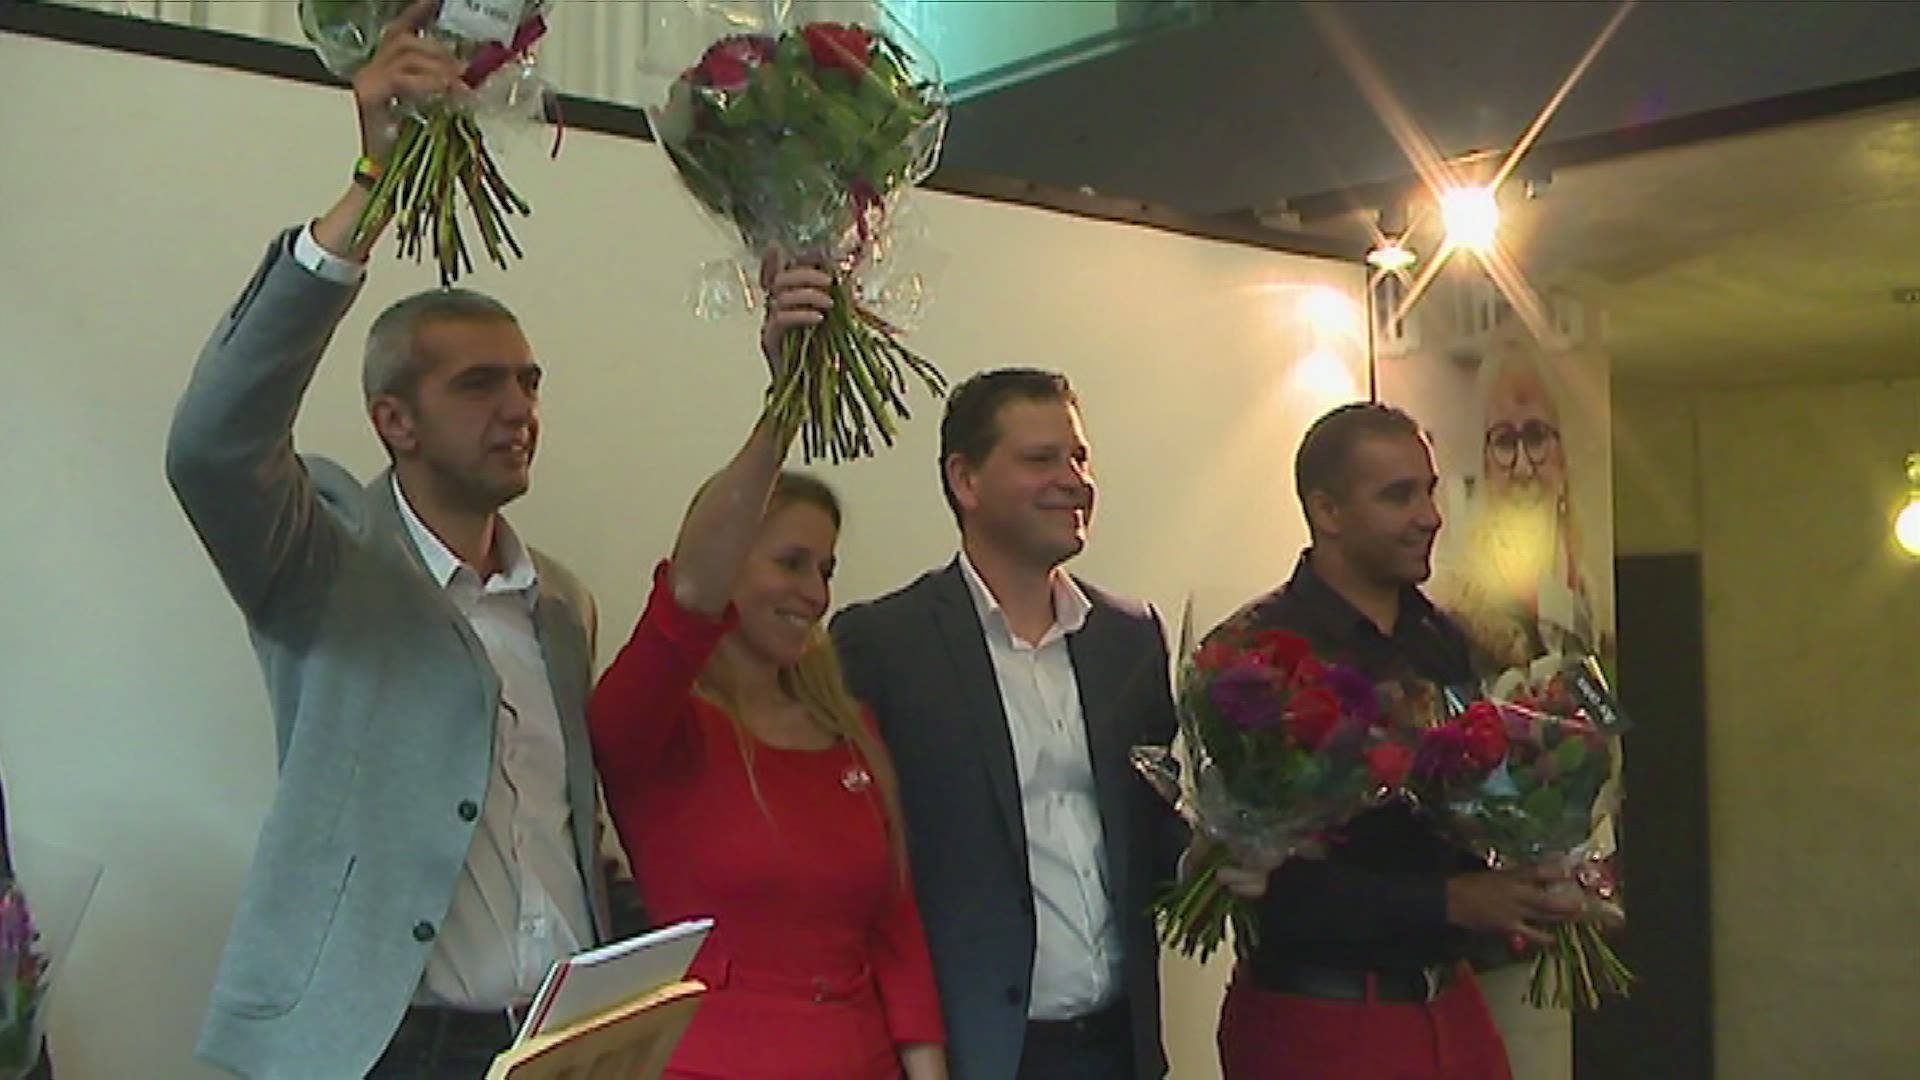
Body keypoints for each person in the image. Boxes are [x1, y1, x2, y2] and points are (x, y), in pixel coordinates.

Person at [166, 3, 629, 1074]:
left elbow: (567, 831)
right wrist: (370, 190)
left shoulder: (559, 603)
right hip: (389, 1050)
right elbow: (213, 445)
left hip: (554, 1046)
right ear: (394, 420)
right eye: (479, 385)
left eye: (528, 383)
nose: (518, 409)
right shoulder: (323, 556)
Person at [586, 257, 946, 1080]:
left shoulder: (849, 731)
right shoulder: (656, 729)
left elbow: (896, 932)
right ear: (729, 561)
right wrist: (786, 404)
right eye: (789, 562)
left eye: (825, 569)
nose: (814, 592)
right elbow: (686, 599)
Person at [1206, 402, 1583, 1080]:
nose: (1430, 516)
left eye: (1429, 491)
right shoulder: (1254, 655)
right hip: (1319, 1023)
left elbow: (1468, 808)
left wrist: (1539, 863)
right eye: (1399, 495)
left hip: (1453, 1009)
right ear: (1327, 511)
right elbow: (1257, 885)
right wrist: (1454, 900)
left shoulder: (1444, 640)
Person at [831, 369, 1183, 1080]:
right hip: (974, 1053)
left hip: (1120, 1046)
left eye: (1079, 457)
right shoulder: (885, 644)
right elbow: (864, 866)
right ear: (965, 480)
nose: (1073, 481)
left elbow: (1153, 830)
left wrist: (1235, 842)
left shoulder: (1129, 637)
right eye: (1041, 459)